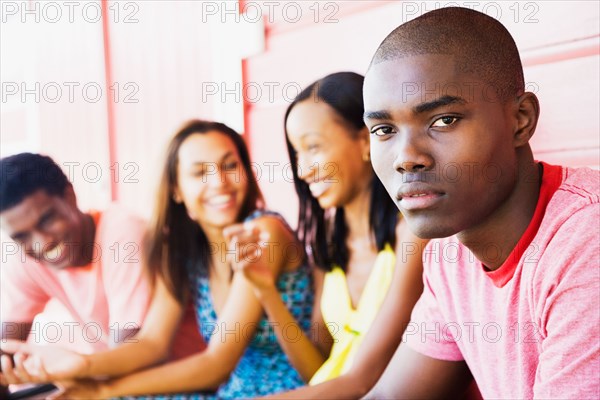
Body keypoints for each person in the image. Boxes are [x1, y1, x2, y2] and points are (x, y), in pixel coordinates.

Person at [362, 7, 600, 399]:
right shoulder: (448, 255)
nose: (407, 157)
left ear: (521, 119)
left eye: (444, 120)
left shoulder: (584, 239)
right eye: (384, 129)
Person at [1, 120, 314, 399]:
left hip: (282, 389)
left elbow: (217, 363)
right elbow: (152, 342)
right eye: (200, 173)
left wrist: (102, 389)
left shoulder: (262, 233)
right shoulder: (188, 253)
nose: (219, 181)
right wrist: (81, 364)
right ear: (177, 189)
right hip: (232, 391)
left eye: (230, 165)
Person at [240, 72, 427, 399]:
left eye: (313, 148)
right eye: (297, 153)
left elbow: (362, 382)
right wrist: (265, 291)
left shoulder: (412, 237)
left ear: (365, 141)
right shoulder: (329, 243)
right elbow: (320, 369)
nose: (303, 169)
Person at [0, 153, 202, 395]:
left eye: (47, 220)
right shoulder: (28, 258)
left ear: (70, 196)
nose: (42, 242)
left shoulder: (124, 234)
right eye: (21, 236)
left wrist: (76, 371)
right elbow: (5, 351)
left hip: (182, 380)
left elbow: (134, 358)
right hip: (114, 383)